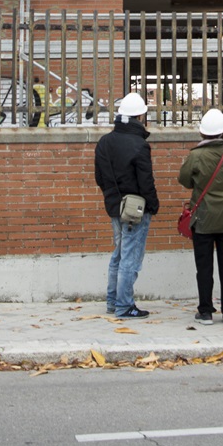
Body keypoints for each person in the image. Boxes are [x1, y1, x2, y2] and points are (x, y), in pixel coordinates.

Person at [177, 108, 223, 325]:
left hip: (204, 218)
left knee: (204, 267)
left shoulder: (196, 155)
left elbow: (185, 180)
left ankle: (205, 311)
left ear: (202, 133)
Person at [94, 91, 158, 319]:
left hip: (114, 206)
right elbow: (146, 181)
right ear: (140, 116)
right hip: (135, 210)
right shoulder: (139, 144)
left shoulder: (104, 142)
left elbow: (99, 178)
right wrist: (153, 204)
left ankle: (113, 302)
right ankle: (124, 305)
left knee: (118, 255)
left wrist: (112, 198)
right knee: (130, 258)